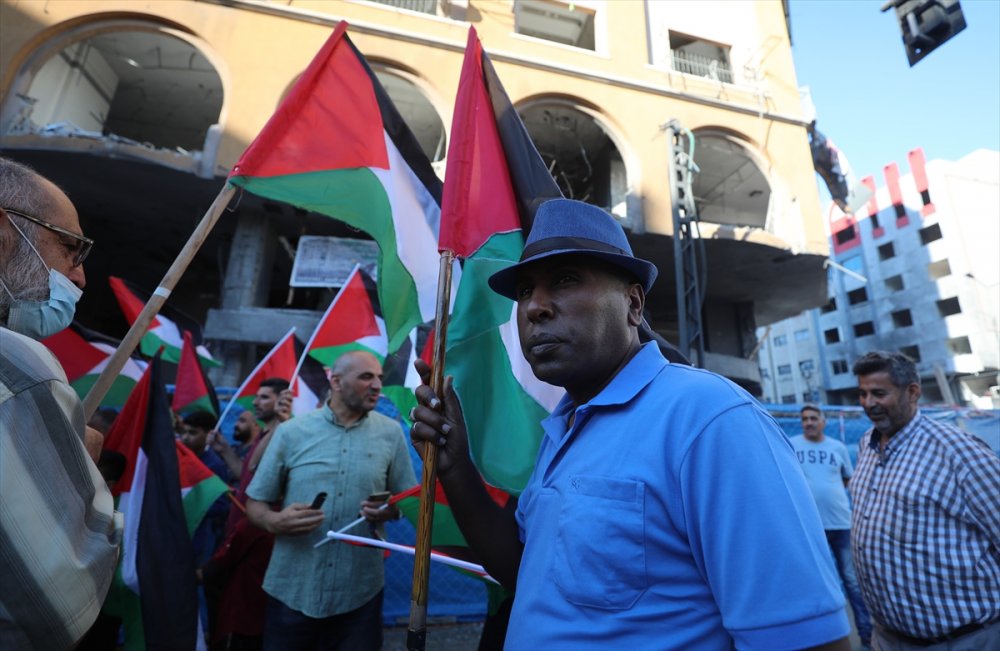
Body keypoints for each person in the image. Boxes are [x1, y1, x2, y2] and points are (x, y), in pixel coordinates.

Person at [411, 198, 851, 650]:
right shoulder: (563, 427)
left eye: (564, 280)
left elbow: (810, 641)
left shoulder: (709, 419)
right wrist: (456, 467)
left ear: (633, 304)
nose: (534, 307)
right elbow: (527, 571)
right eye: (524, 291)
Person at [0, 156, 122, 649]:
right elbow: (55, 607)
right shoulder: (19, 366)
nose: (80, 277)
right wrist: (81, 475)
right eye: (71, 248)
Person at [245, 351, 417, 650]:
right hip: (292, 589)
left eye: (379, 377)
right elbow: (255, 504)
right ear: (336, 382)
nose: (377, 385)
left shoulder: (391, 434)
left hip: (359, 593)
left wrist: (389, 510)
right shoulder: (291, 432)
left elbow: (407, 500)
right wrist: (275, 520)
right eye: (366, 376)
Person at [850, 351, 1000, 649]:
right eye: (863, 394)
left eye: (879, 393)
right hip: (889, 638)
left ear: (913, 392)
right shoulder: (866, 445)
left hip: (964, 640)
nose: (868, 403)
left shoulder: (957, 451)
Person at [791, 405, 872, 648]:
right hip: (810, 526)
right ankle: (821, 640)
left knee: (852, 580)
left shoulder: (836, 447)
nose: (809, 422)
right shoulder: (792, 444)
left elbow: (849, 479)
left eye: (814, 418)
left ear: (823, 422)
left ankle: (866, 634)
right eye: (804, 419)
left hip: (841, 523)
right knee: (815, 583)